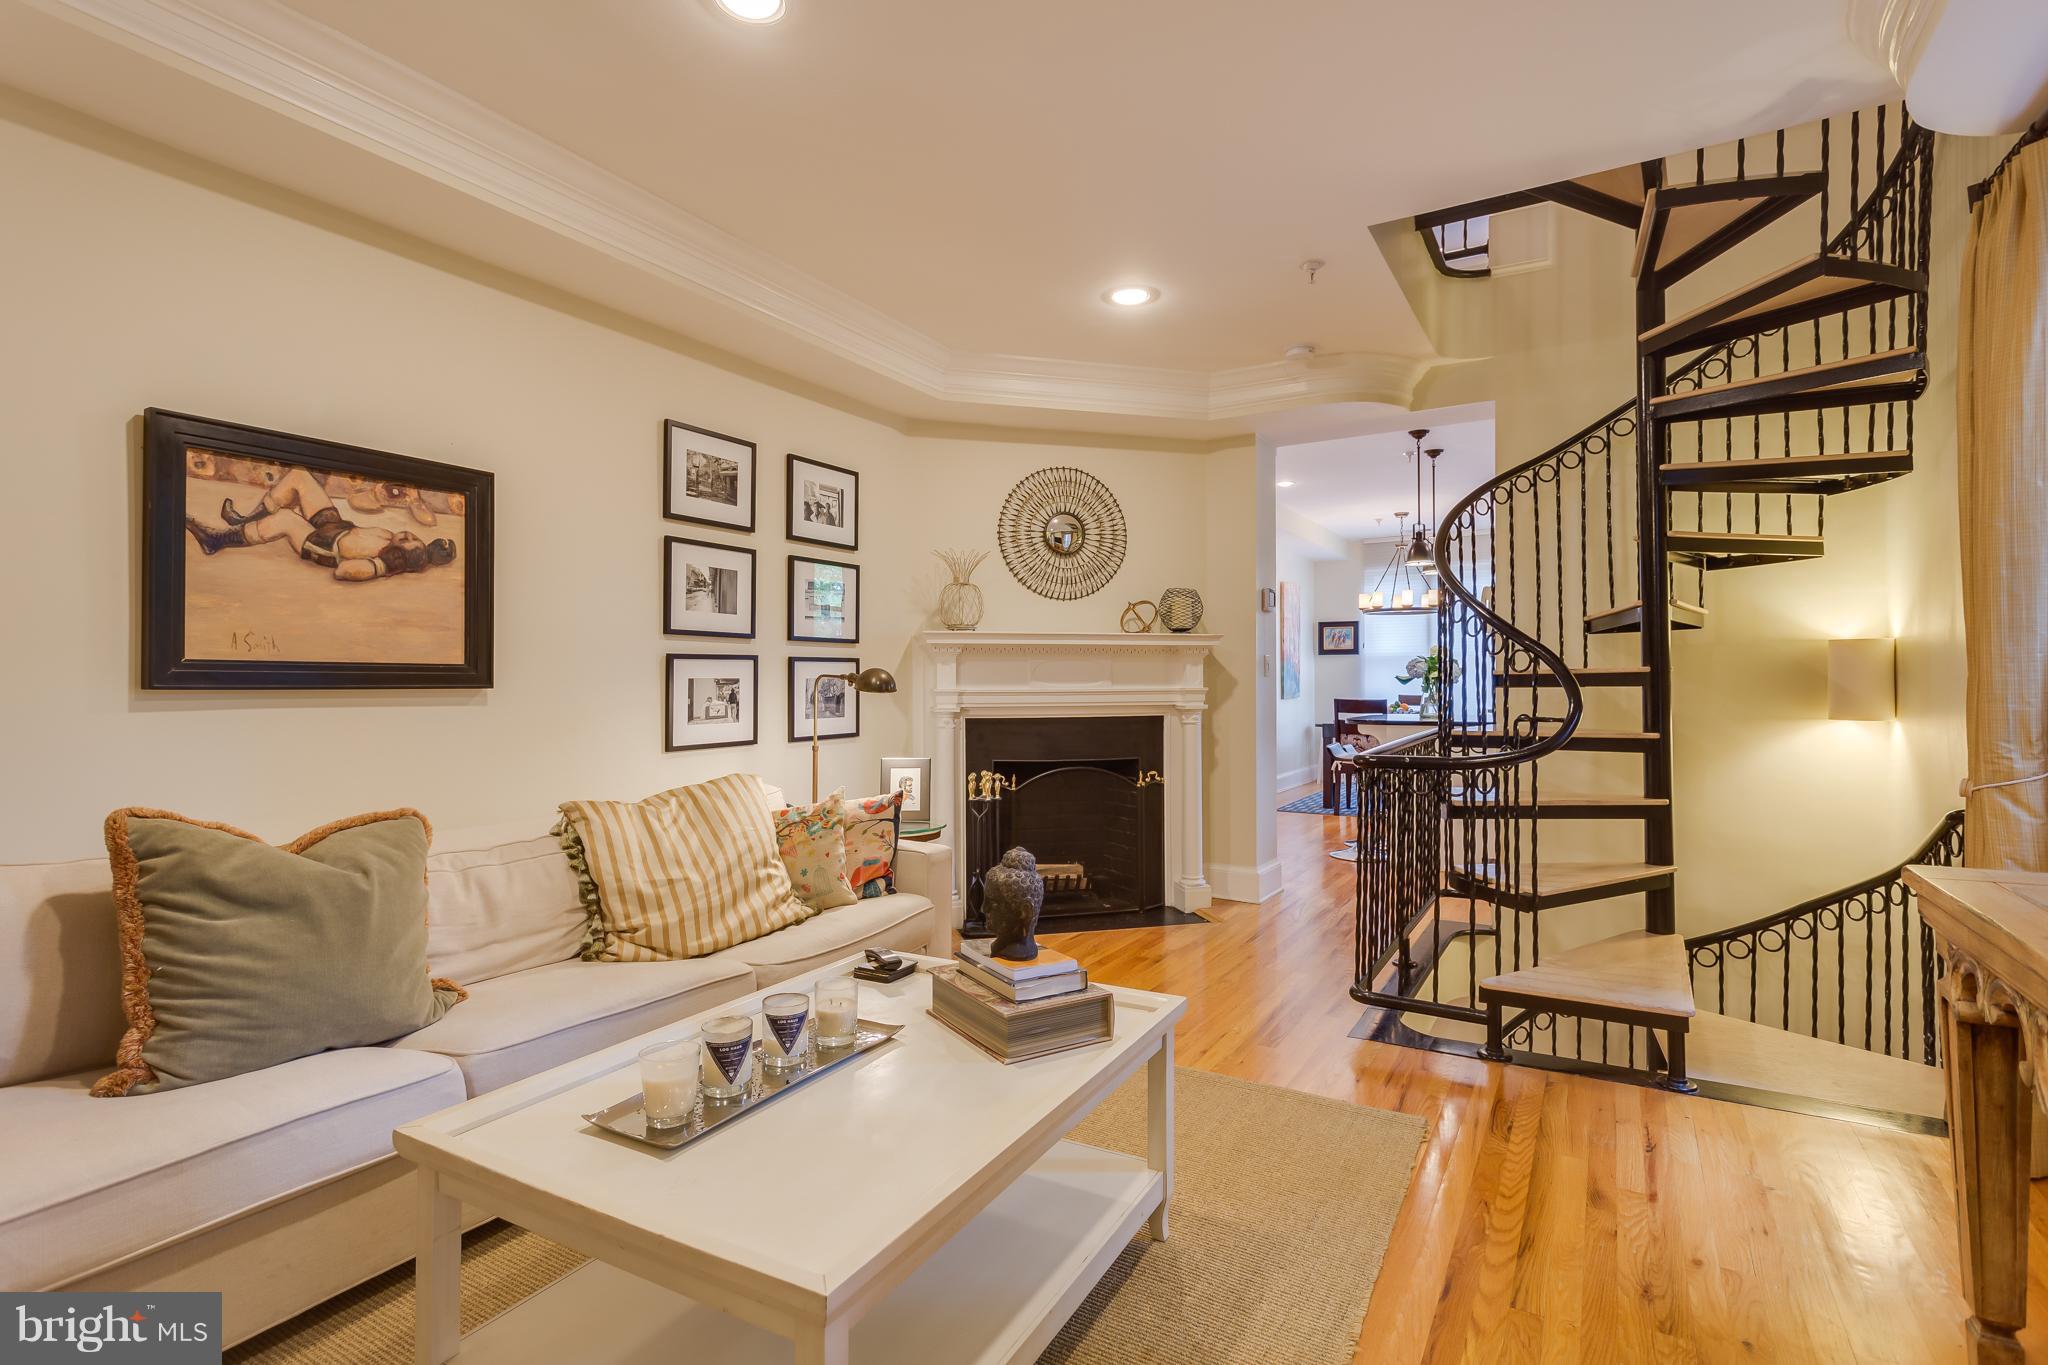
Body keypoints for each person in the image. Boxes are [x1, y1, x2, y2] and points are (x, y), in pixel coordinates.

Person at [185, 466, 455, 581]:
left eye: (408, 542)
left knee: (286, 519)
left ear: (401, 556)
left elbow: (342, 571)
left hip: (321, 544)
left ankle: (217, 539)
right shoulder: (391, 537)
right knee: (300, 476)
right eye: (414, 536)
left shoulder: (382, 562)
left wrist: (380, 568)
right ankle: (247, 519)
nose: (407, 533)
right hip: (336, 526)